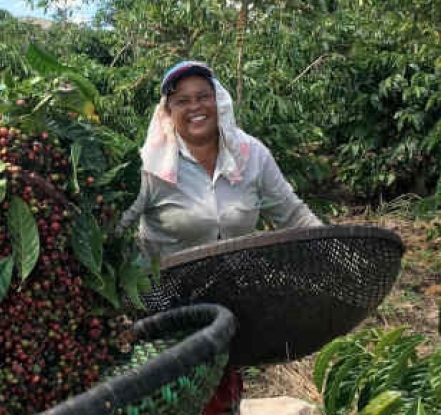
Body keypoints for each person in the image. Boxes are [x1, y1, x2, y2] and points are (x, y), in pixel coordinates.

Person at [120, 61, 322, 415]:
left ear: (219, 101)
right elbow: (117, 230)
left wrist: (335, 252)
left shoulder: (250, 155)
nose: (195, 107)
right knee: (175, 399)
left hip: (230, 308)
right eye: (182, 101)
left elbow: (293, 215)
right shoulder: (150, 165)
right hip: (166, 310)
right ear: (168, 111)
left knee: (221, 397)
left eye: (203, 96)